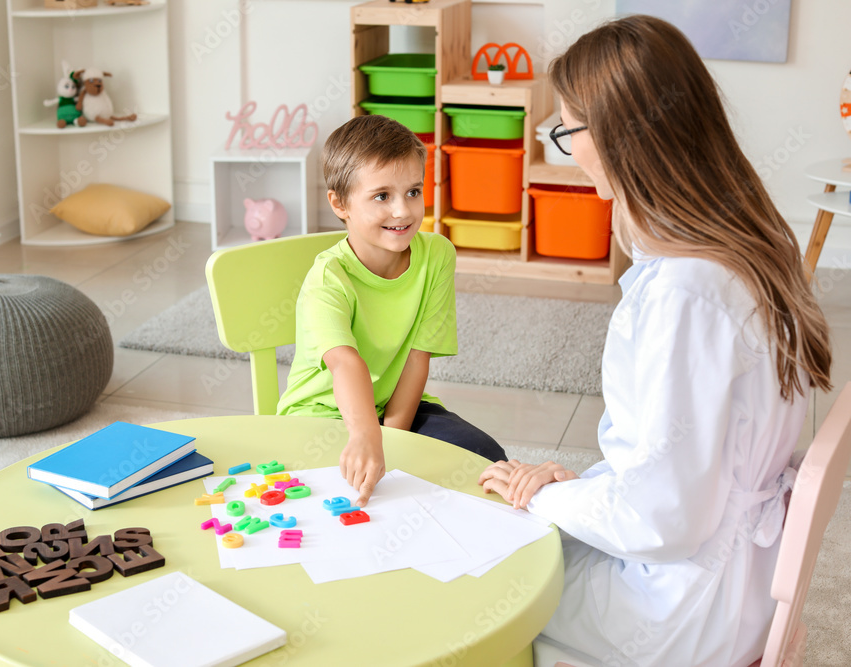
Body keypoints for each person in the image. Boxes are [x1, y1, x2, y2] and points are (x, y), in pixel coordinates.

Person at [478, 15, 832, 667]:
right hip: (727, 577)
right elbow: (678, 465)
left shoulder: (687, 292)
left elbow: (664, 517)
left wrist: (547, 494)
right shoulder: (753, 243)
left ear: (620, 136)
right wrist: (574, 484)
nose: (566, 151)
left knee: (488, 584)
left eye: (566, 132)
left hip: (678, 609)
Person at [277, 113, 505, 507]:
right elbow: (346, 363)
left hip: (396, 408)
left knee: (486, 459)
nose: (403, 211)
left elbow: (418, 358)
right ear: (340, 203)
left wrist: (393, 437)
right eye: (382, 196)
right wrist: (369, 436)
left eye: (413, 191)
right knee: (354, 498)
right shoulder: (327, 280)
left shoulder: (436, 255)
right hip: (321, 416)